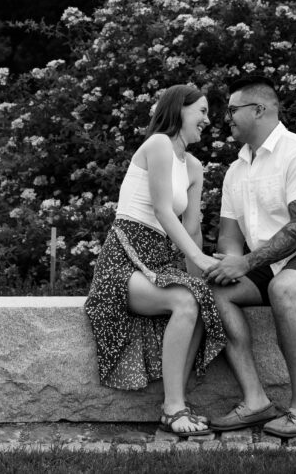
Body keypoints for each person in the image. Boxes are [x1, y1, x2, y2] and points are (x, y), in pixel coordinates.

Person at [203, 74, 296, 438]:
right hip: (266, 261)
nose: (227, 118)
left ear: (259, 110)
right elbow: (229, 237)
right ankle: (255, 401)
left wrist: (244, 263)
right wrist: (226, 265)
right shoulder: (235, 171)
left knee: (283, 289)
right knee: (213, 291)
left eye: (233, 110)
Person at [84, 84, 226, 436]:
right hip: (124, 260)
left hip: (158, 265)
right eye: (203, 111)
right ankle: (173, 408)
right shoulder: (158, 144)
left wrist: (204, 274)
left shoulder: (193, 166)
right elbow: (163, 209)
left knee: (199, 297)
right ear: (179, 109)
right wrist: (199, 261)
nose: (207, 120)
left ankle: (175, 404)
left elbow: (191, 231)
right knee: (185, 299)